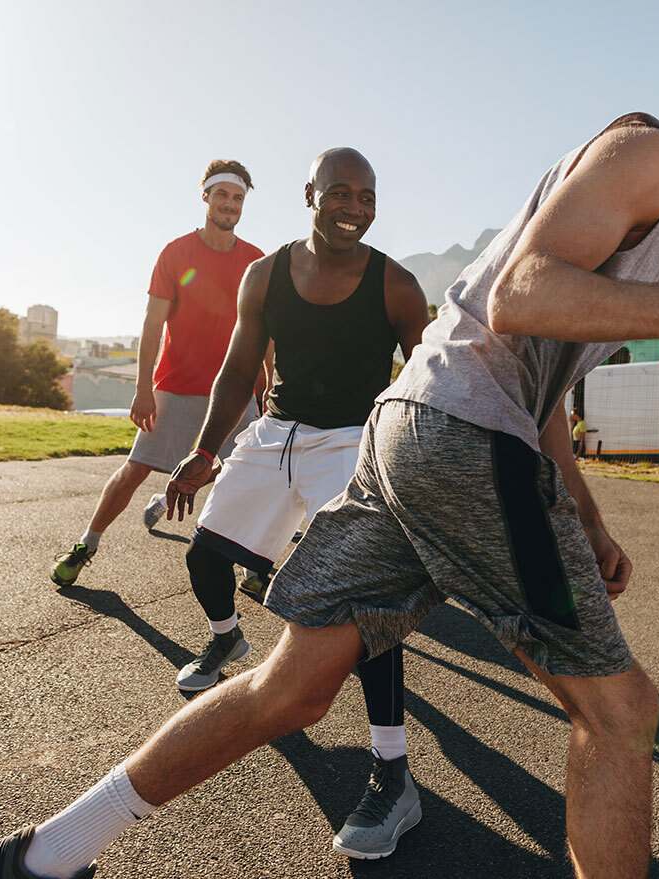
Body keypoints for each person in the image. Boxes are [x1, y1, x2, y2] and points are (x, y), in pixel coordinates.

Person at [0, 50, 659, 879]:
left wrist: (583, 511)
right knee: (621, 715)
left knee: (289, 691)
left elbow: (531, 372)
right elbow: (522, 295)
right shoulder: (650, 153)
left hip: (420, 434)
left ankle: (46, 851)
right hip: (464, 445)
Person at [167, 147, 430, 859]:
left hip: (350, 441)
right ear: (309, 194)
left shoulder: (396, 286)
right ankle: (227, 636)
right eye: (340, 193)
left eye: (366, 197)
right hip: (276, 432)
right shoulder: (266, 273)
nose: (353, 207)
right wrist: (205, 449)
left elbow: (432, 377)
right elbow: (238, 368)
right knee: (206, 558)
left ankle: (393, 771)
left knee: (364, 603)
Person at [49, 160, 263, 588]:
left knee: (250, 471)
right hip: (177, 386)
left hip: (237, 390)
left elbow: (264, 333)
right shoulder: (176, 253)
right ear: (205, 197)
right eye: (222, 195)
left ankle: (252, 565)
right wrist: (143, 388)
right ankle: (85, 546)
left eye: (238, 198)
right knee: (135, 469)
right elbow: (152, 323)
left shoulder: (257, 261)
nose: (229, 204)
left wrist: (270, 387)